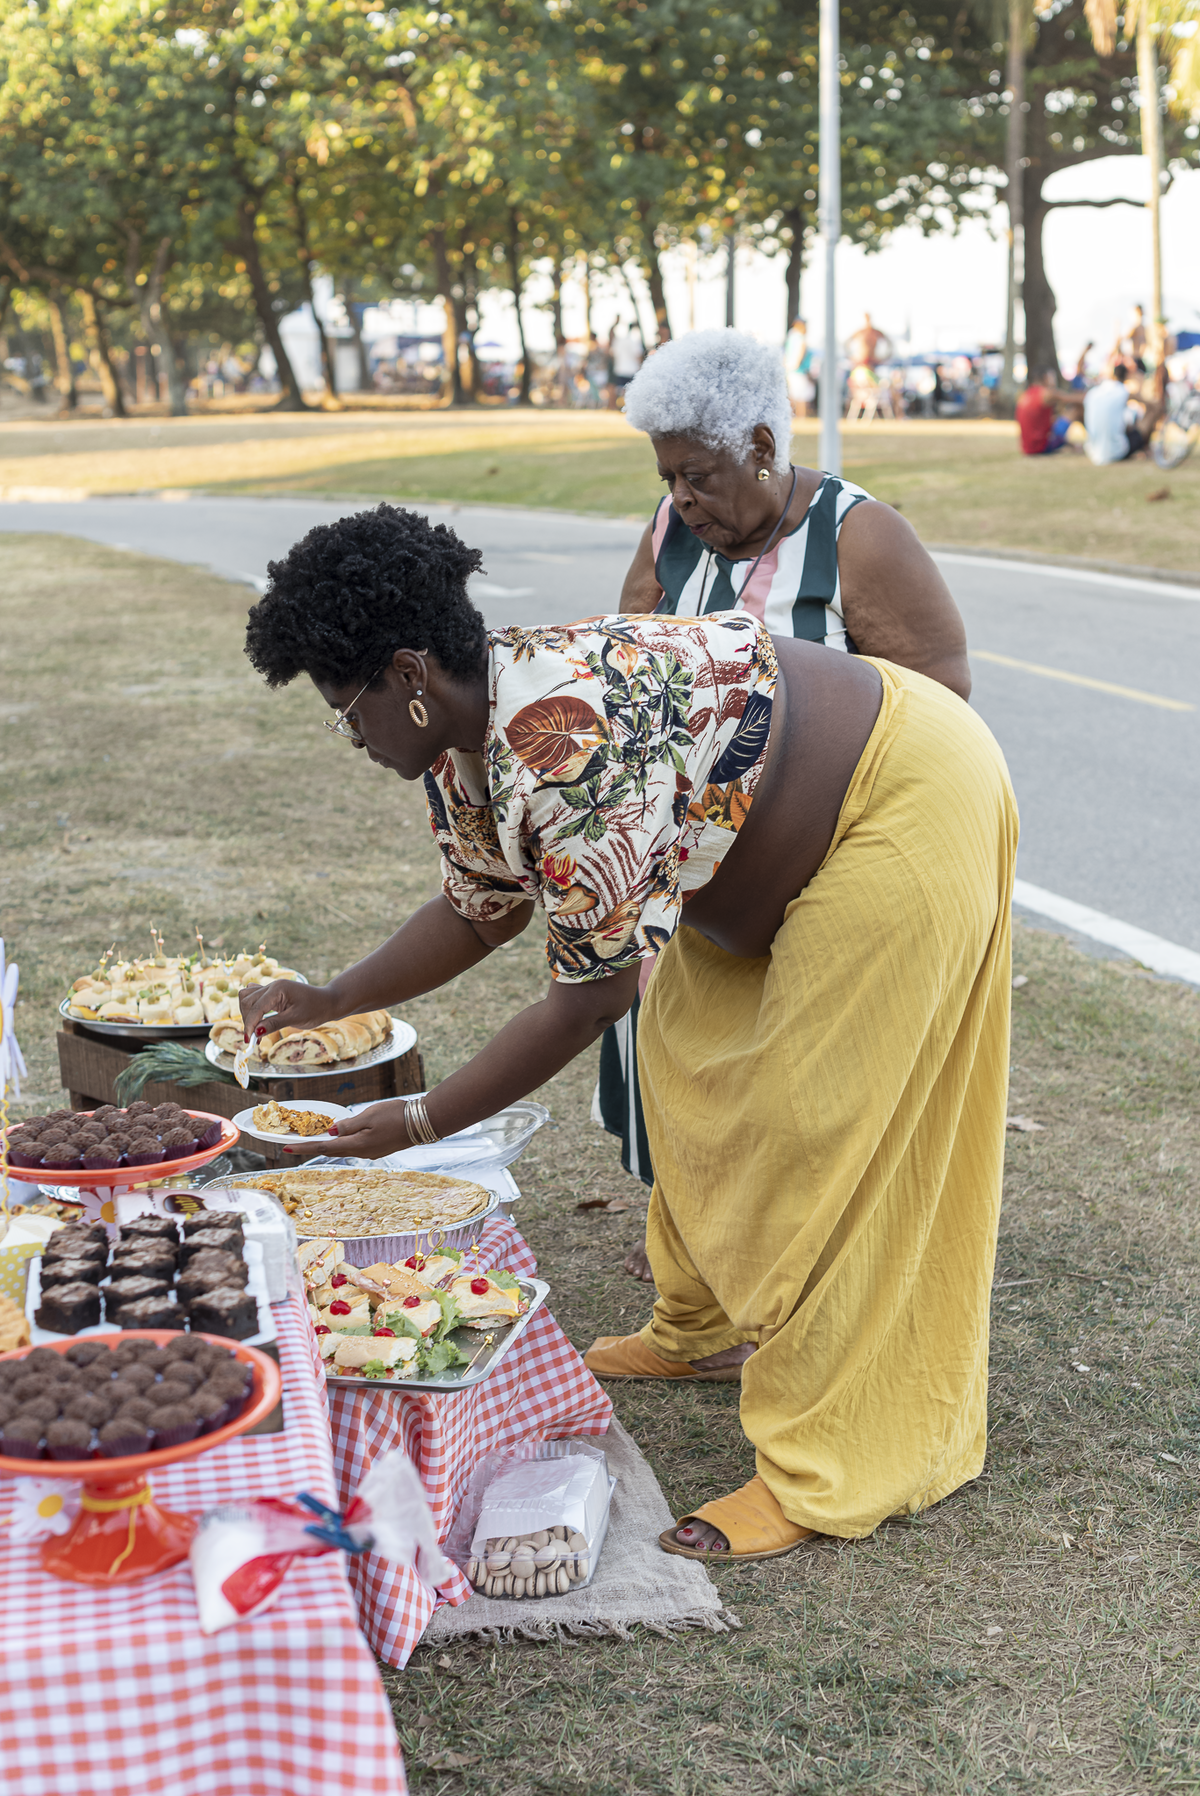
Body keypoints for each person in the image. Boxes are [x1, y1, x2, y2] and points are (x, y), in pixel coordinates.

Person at [239, 502, 1017, 1561]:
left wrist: (413, 1121)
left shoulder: (562, 740)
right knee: (684, 1068)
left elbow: (587, 998)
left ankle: (833, 1459)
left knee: (822, 1127)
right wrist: (333, 997)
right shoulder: (467, 741)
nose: (352, 739)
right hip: (745, 856)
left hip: (904, 800)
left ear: (409, 678)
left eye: (347, 711)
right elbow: (482, 908)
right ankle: (700, 1329)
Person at [607, 328, 971, 1276]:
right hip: (702, 862)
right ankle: (694, 1229)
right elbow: (627, 656)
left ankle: (776, 1254)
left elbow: (938, 706)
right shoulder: (670, 529)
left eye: (699, 475)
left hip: (825, 863)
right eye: (668, 476)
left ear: (764, 446)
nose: (682, 498)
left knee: (790, 1071)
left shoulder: (860, 535)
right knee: (673, 1044)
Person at [1084, 361, 1164, 465]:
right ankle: (1146, 447)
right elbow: (1153, 405)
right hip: (1116, 451)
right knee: (1152, 413)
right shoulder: (1123, 391)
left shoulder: (1094, 392)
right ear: (1127, 376)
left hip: (1093, 453)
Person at [1016, 370, 1079, 455]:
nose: (1054, 380)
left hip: (1027, 448)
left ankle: (1074, 445)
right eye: (1052, 377)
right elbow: (1073, 398)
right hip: (1041, 447)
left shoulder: (1026, 394)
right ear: (1046, 378)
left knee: (1056, 419)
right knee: (1075, 410)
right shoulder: (1047, 393)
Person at [783, 318, 815, 417]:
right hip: (798, 370)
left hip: (790, 369)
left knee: (793, 395)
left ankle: (793, 416)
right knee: (800, 397)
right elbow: (799, 355)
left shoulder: (791, 337)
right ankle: (800, 416)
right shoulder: (800, 338)